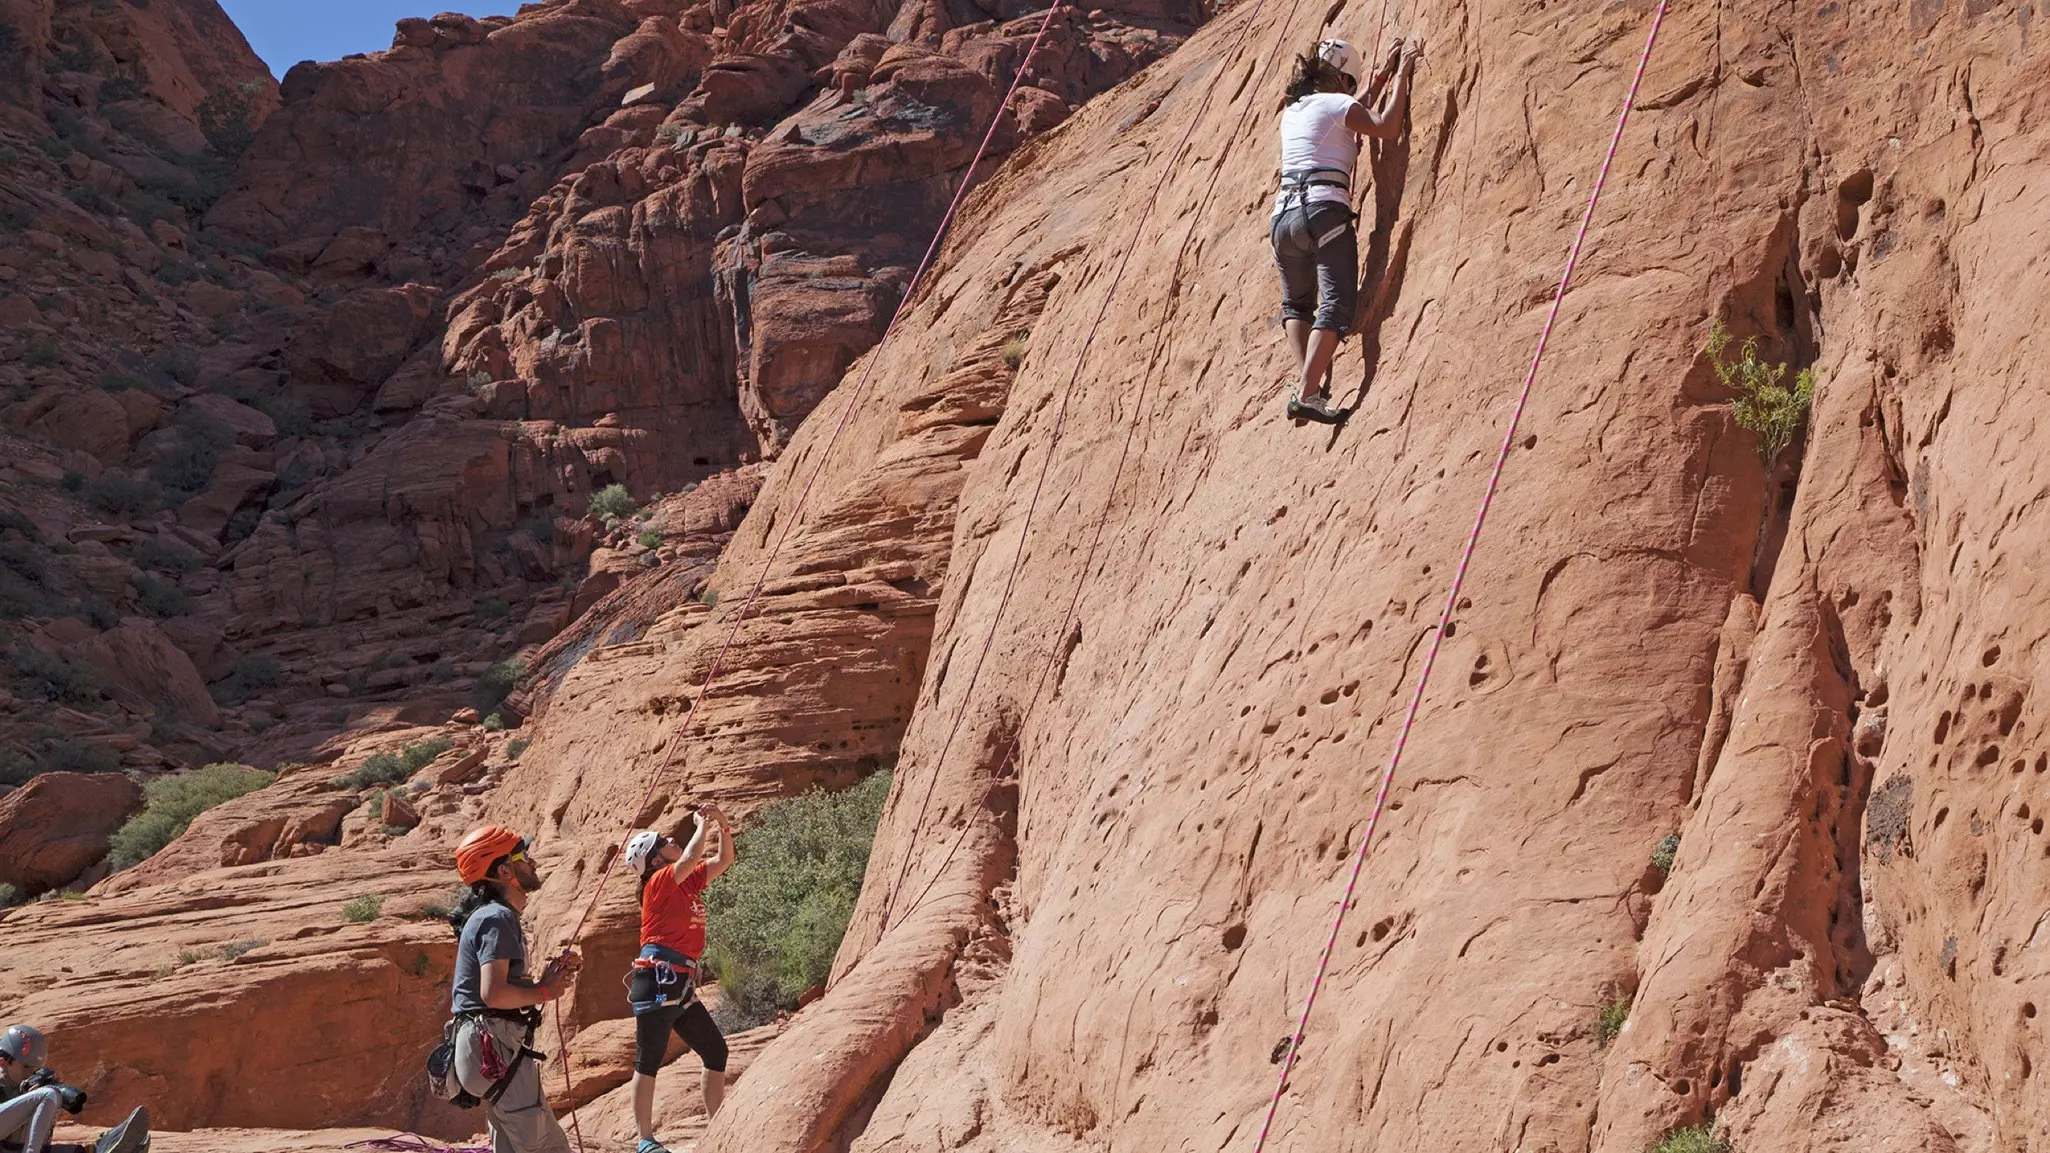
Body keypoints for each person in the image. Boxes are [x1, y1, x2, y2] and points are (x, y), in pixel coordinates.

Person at [1272, 34, 1422, 424]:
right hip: (1323, 211)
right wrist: (1403, 73)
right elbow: (1386, 127)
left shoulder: (1294, 109)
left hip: (1283, 219)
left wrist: (1381, 74)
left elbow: (1345, 111)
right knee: (1336, 306)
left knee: (1297, 305)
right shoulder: (1339, 103)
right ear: (1342, 80)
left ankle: (1312, 381)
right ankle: (1306, 392)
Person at [446, 826, 584, 1153]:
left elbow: (498, 990)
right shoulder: (496, 917)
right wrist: (545, 991)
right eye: (523, 856)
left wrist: (545, 981)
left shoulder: (493, 917)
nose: (532, 862)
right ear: (505, 871)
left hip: (486, 1053)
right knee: (548, 1148)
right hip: (495, 1051)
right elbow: (493, 994)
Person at [622, 805, 735, 1153]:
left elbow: (722, 861)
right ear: (655, 860)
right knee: (649, 1058)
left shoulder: (684, 884)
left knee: (716, 1051)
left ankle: (717, 1125)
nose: (672, 840)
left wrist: (723, 826)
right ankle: (644, 1140)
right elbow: (689, 855)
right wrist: (701, 825)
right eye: (664, 841)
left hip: (680, 981)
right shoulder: (657, 883)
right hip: (658, 978)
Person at [0, 1025, 149, 1153]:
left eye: (36, 1069)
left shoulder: (20, 1087)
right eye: (26, 1066)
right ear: (2, 1062)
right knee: (48, 1095)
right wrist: (39, 1097)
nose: (31, 1073)